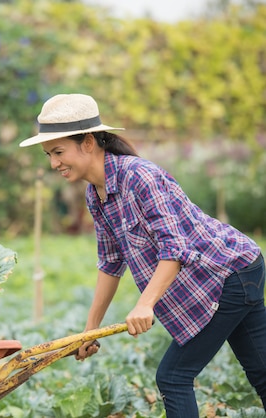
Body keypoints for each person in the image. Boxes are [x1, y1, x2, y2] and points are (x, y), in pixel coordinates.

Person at [19, 93, 266, 417]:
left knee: (173, 377)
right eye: (49, 154)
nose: (53, 163)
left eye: (59, 151)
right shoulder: (96, 194)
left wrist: (145, 303)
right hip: (229, 273)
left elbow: (174, 249)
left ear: (89, 142)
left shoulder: (140, 177)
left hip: (228, 273)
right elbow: (110, 263)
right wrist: (89, 331)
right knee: (261, 371)